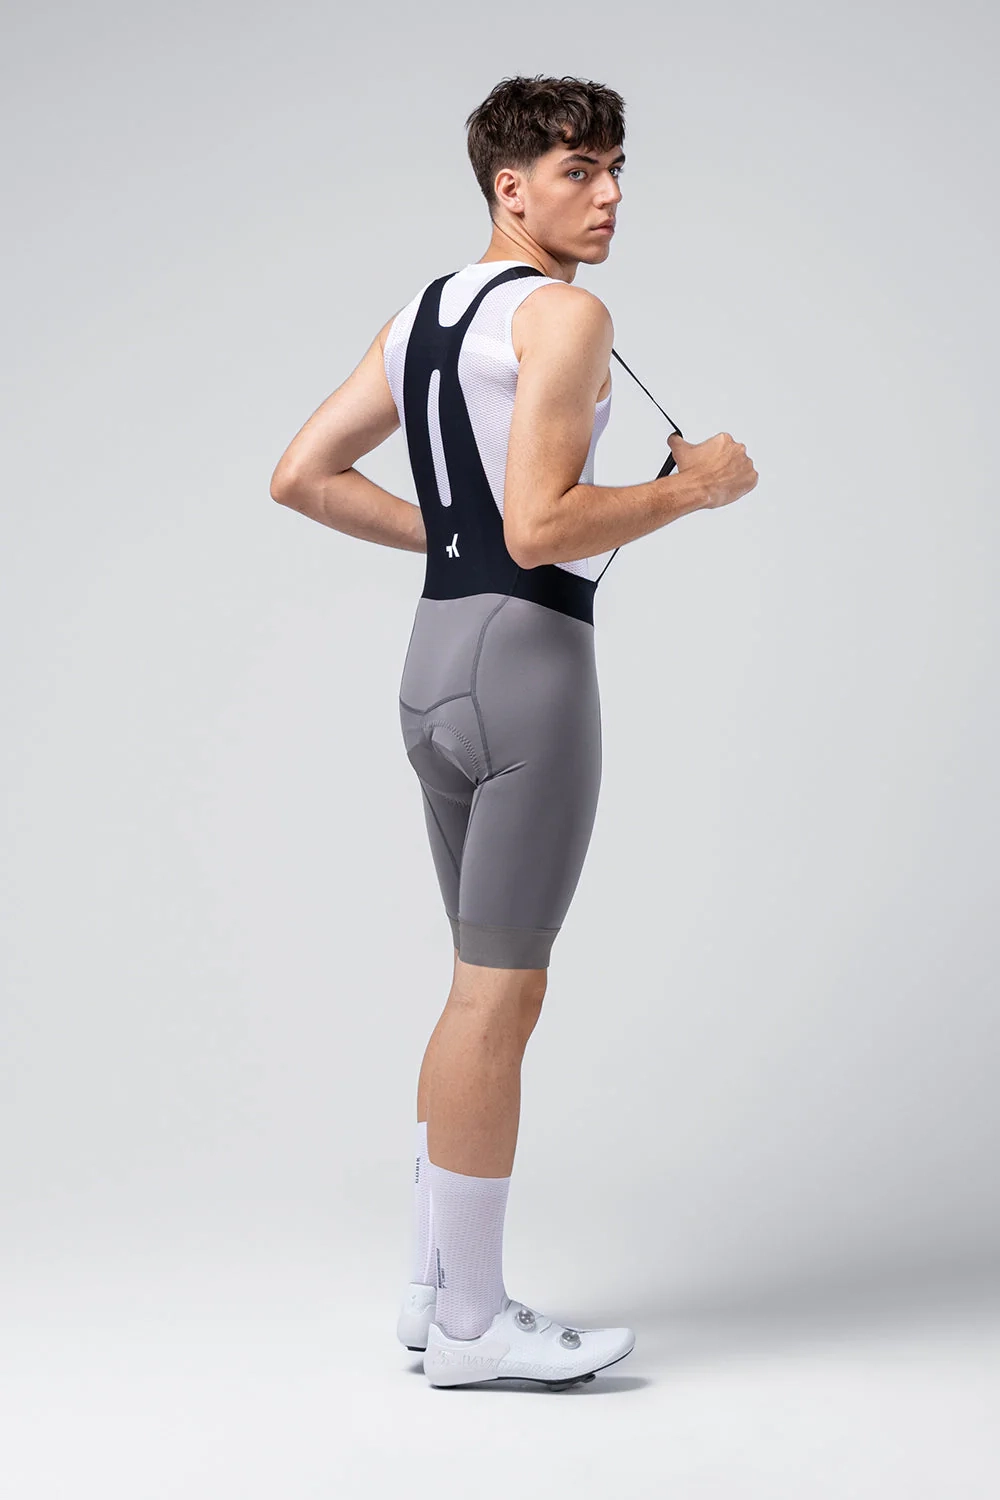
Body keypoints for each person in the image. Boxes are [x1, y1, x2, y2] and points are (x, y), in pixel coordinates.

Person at [269, 74, 758, 1390]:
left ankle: (432, 1292)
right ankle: (476, 1327)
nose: (609, 196)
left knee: (472, 988)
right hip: (528, 668)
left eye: (616, 168)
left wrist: (458, 540)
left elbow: (301, 476)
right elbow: (543, 530)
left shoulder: (426, 312)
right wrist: (694, 491)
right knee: (503, 994)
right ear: (511, 186)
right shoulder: (567, 313)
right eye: (580, 169)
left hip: (435, 663)